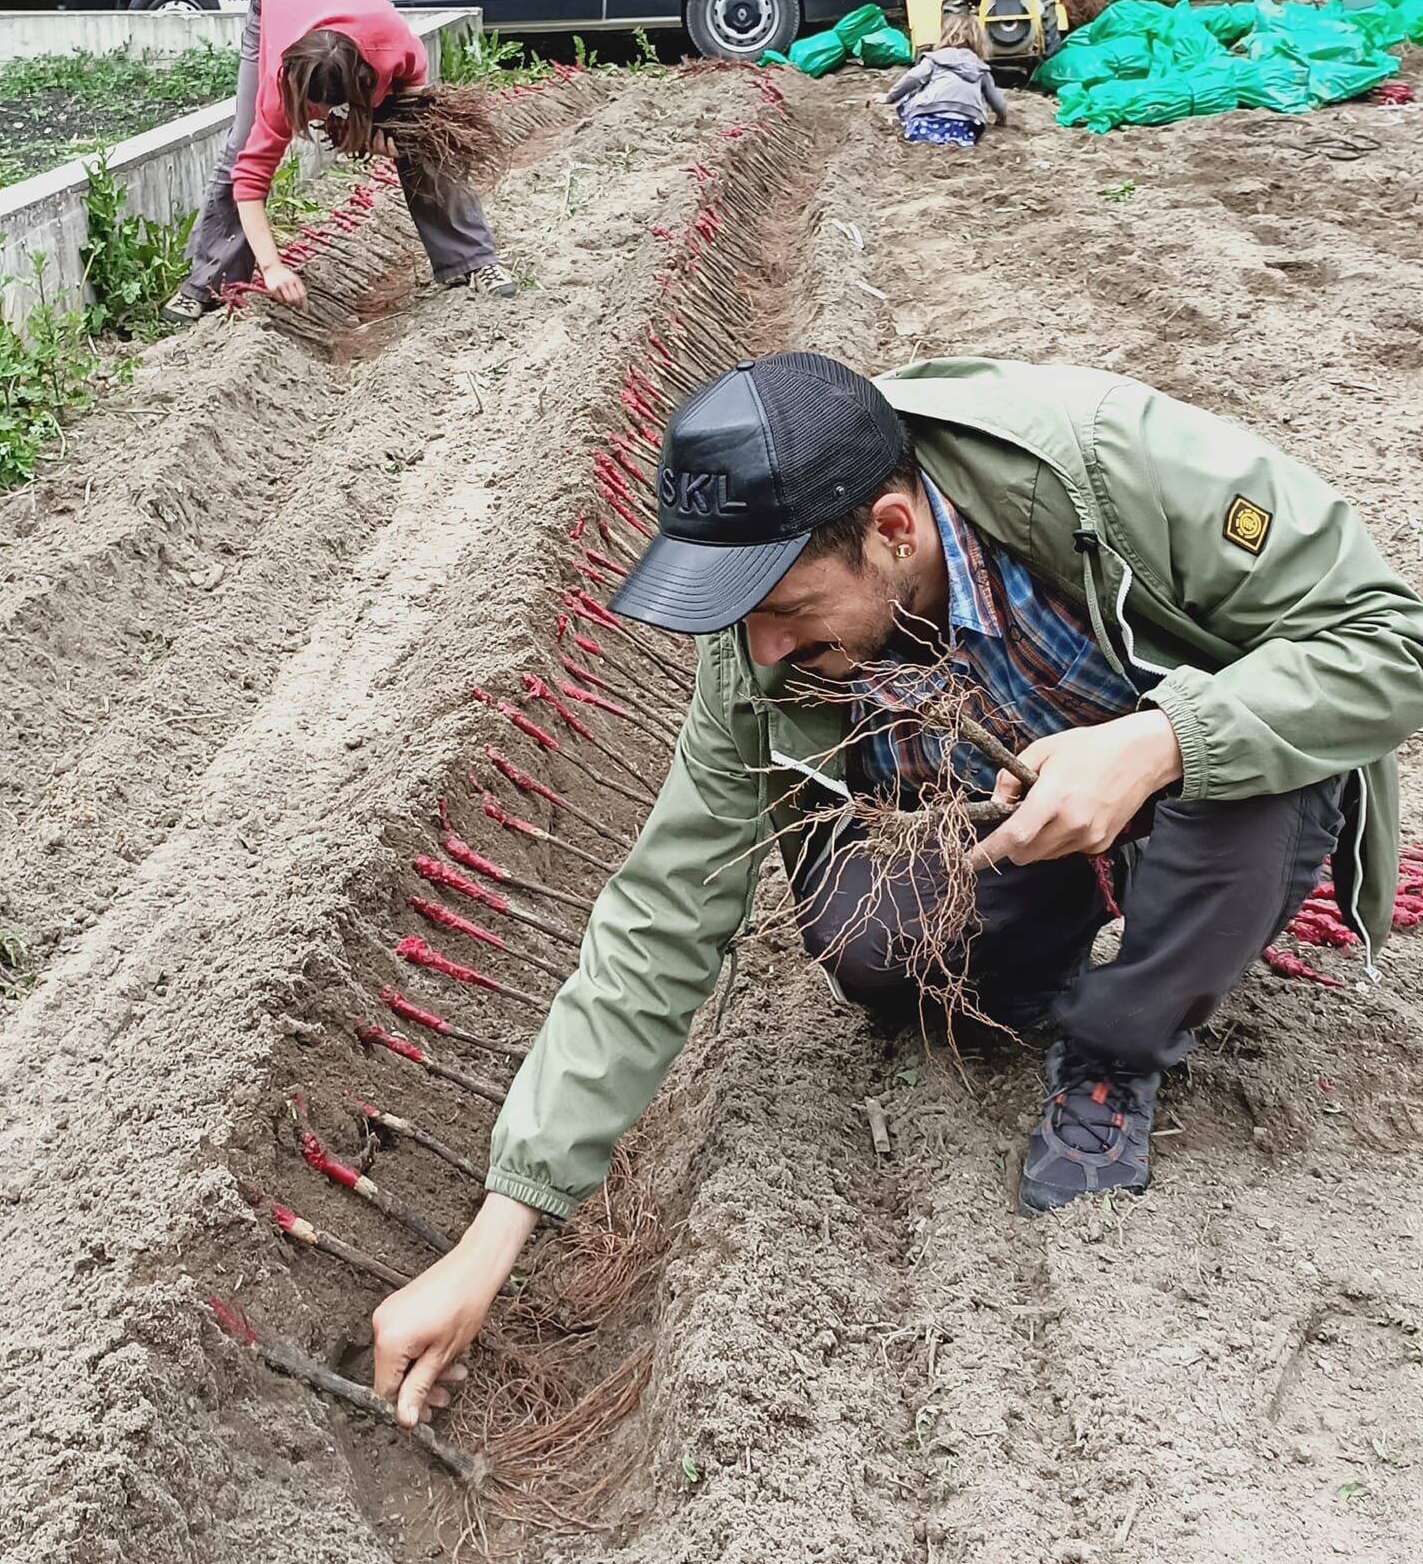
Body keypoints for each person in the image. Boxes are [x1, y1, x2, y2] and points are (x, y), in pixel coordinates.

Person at [369, 350, 1423, 1424]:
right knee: (872, 939)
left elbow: (1393, 642)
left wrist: (1161, 742)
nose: (764, 647)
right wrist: (494, 1232)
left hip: (1201, 764)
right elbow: (661, 912)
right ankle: (1086, 919)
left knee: (1256, 801)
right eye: (742, 617)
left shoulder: (1107, 467)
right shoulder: (763, 644)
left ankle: (1114, 1047)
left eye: (786, 608)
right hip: (1006, 808)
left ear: (893, 530)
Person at [162, 0, 514, 325]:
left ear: (364, 80)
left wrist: (388, 133)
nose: (322, 117)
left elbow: (415, 92)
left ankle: (473, 260)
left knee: (422, 138)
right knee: (242, 145)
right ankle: (208, 284)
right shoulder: (279, 89)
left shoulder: (390, 42)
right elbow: (249, 180)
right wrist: (273, 266)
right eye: (314, 109)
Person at [872, 14, 1007, 146]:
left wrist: (890, 97)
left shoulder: (935, 59)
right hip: (964, 126)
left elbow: (912, 78)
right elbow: (997, 101)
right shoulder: (980, 68)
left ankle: (914, 131)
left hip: (926, 120)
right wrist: (1002, 118)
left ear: (945, 35)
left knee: (908, 98)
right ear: (979, 40)